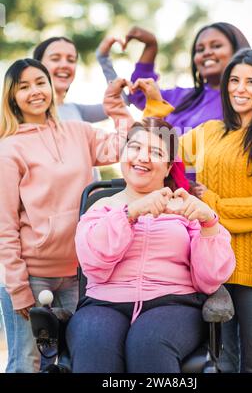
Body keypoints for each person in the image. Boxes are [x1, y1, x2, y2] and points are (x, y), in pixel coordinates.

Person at [144, 49, 252, 372]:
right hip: (213, 269)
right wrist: (153, 104)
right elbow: (166, 144)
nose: (240, 88)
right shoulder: (211, 131)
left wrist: (211, 204)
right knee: (221, 363)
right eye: (235, 80)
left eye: (251, 82)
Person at [66, 117, 236, 373]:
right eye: (134, 147)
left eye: (155, 152)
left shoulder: (185, 210)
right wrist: (129, 214)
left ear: (168, 168)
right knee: (94, 342)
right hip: (104, 303)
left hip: (173, 304)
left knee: (148, 343)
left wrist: (209, 223)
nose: (142, 157)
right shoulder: (101, 206)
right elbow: (94, 265)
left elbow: (209, 280)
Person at [0, 58, 132, 373]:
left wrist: (118, 110)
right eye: (24, 86)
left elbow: (125, 147)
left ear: (50, 87)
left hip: (79, 273)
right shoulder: (9, 150)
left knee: (76, 359)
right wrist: (18, 289)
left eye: (40, 82)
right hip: (32, 276)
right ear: (12, 97)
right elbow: (4, 225)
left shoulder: (79, 132)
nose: (35, 91)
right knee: (26, 363)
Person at [97, 23, 250, 134]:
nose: (206, 52)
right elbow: (139, 93)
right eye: (200, 49)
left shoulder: (244, 102)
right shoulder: (182, 97)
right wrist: (151, 46)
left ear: (238, 52)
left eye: (216, 46)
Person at [33, 36, 108, 122]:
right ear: (37, 66)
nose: (65, 65)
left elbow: (120, 103)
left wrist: (103, 58)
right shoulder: (24, 114)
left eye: (71, 60)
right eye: (55, 59)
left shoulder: (76, 110)